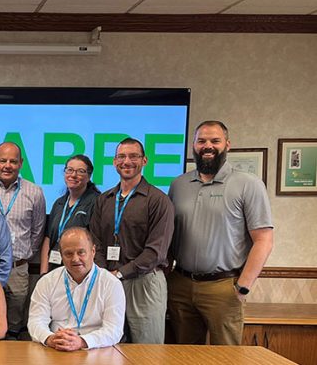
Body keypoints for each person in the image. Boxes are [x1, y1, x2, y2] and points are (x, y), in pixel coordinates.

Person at [168, 120, 273, 345]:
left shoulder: (249, 184)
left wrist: (243, 286)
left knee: (226, 357)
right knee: (183, 357)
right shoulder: (178, 185)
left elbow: (263, 239)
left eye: (215, 141)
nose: (208, 146)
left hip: (223, 287)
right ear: (193, 146)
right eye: (201, 141)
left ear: (227, 145)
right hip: (180, 286)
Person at [89, 138, 174, 344]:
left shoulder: (158, 200)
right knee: (108, 345)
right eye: (121, 156)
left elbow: (156, 252)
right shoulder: (105, 199)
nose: (127, 161)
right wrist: (104, 273)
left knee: (146, 349)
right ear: (114, 162)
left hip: (144, 282)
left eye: (133, 156)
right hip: (108, 281)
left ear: (144, 160)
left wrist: (119, 273)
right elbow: (95, 240)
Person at [0, 141, 46, 338]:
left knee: (14, 324)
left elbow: (38, 231)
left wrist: (23, 256)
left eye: (13, 161)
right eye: (2, 160)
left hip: (18, 268)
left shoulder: (34, 192)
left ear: (21, 163)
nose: (7, 165)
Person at [28, 227, 125, 351]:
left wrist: (82, 341)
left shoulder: (111, 284)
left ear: (93, 251)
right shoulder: (47, 282)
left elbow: (114, 330)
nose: (75, 259)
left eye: (81, 252)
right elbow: (35, 321)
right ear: (61, 255)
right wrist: (50, 338)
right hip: (56, 348)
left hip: (97, 349)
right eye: (68, 253)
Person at [40, 155, 100, 274]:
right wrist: (43, 273)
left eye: (80, 171)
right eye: (70, 170)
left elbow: (96, 242)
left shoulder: (96, 202)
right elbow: (48, 239)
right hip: (54, 269)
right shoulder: (59, 203)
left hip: (79, 271)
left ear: (89, 176)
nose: (73, 175)